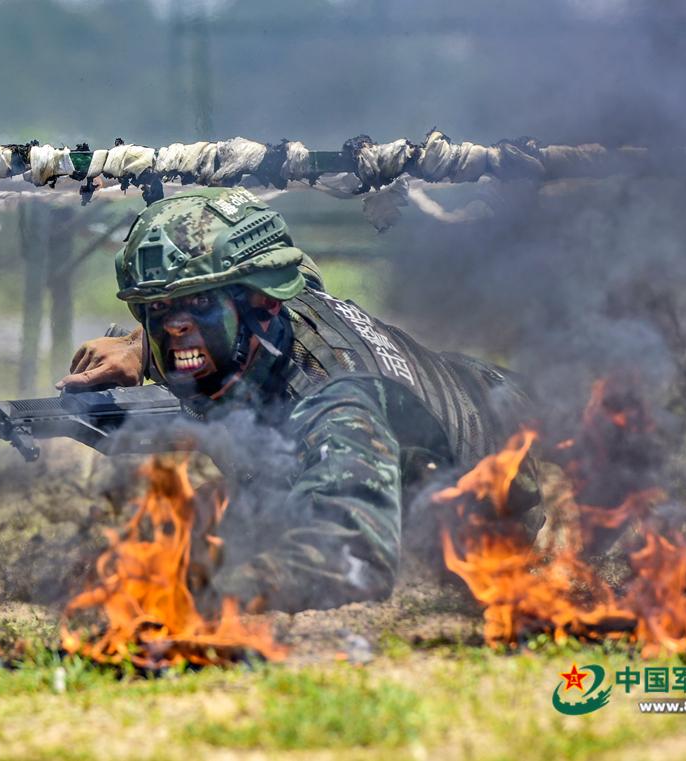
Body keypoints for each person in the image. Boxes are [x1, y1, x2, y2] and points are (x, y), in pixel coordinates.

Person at [57, 187, 539, 612]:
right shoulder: (272, 308)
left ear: (261, 303)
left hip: (490, 482)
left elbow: (349, 557)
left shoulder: (338, 402)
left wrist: (198, 590)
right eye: (156, 309)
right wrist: (137, 348)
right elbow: (290, 274)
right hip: (454, 386)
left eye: (201, 304)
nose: (174, 327)